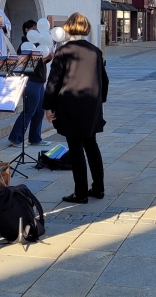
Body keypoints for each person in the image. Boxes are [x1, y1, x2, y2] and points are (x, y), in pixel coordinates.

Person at [43, 13, 108, 204]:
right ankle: (98, 188)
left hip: (70, 104)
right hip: (91, 104)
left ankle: (80, 193)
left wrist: (48, 106)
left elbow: (53, 82)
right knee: (91, 145)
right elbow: (104, 79)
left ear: (69, 28)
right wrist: (99, 101)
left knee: (76, 147)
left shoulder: (64, 51)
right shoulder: (95, 51)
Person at [8, 20, 53, 148]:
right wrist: (45, 58)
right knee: (29, 110)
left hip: (39, 81)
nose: (37, 31)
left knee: (40, 110)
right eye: (34, 29)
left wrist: (48, 57)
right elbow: (28, 66)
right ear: (27, 30)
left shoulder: (38, 44)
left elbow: (41, 63)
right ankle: (15, 138)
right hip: (31, 82)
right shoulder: (25, 46)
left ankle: (35, 137)